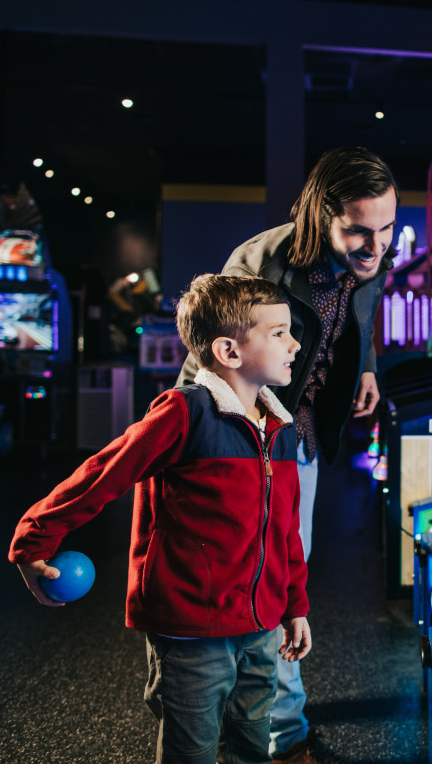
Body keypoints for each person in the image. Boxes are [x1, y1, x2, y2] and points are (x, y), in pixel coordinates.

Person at [10, 274, 311, 764]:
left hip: (260, 627)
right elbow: (102, 474)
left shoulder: (280, 428)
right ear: (229, 351)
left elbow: (285, 531)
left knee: (251, 743)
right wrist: (34, 539)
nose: (295, 344)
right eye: (278, 332)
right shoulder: (183, 412)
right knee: (189, 750)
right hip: (192, 628)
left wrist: (294, 604)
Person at [176, 146, 396, 762]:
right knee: (256, 580)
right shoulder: (260, 262)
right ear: (320, 217)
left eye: (386, 228)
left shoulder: (370, 253)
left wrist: (368, 368)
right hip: (248, 438)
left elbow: (362, 312)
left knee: (281, 572)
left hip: (303, 434)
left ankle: (268, 717)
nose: (376, 246)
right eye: (358, 230)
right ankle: (280, 731)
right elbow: (207, 351)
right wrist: (186, 432)